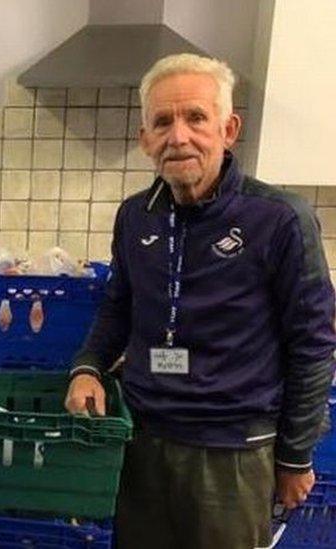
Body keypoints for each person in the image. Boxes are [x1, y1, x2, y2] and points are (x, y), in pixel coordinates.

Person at [64, 53, 336, 549]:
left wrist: (296, 455)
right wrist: (87, 366)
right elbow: (119, 305)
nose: (178, 136)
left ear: (228, 129)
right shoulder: (135, 217)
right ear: (145, 138)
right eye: (162, 122)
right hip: (141, 441)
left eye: (195, 118)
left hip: (232, 454)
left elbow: (314, 345)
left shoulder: (280, 220)